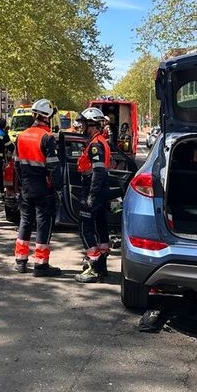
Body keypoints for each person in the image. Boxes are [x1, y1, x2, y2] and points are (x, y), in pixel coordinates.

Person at [13, 98, 62, 277]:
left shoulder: (21, 136)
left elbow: (17, 165)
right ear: (47, 117)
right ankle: (41, 265)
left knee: (25, 222)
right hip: (43, 188)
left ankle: (21, 261)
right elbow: (53, 167)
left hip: (26, 187)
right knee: (43, 224)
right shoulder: (47, 138)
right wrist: (58, 188)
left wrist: (22, 183)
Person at [74, 107, 113, 283]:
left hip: (93, 190)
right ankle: (101, 265)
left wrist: (91, 196)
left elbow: (98, 173)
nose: (81, 127)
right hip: (99, 191)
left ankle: (94, 266)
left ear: (91, 124)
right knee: (100, 227)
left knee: (85, 228)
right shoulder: (99, 141)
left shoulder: (96, 145)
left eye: (83, 124)